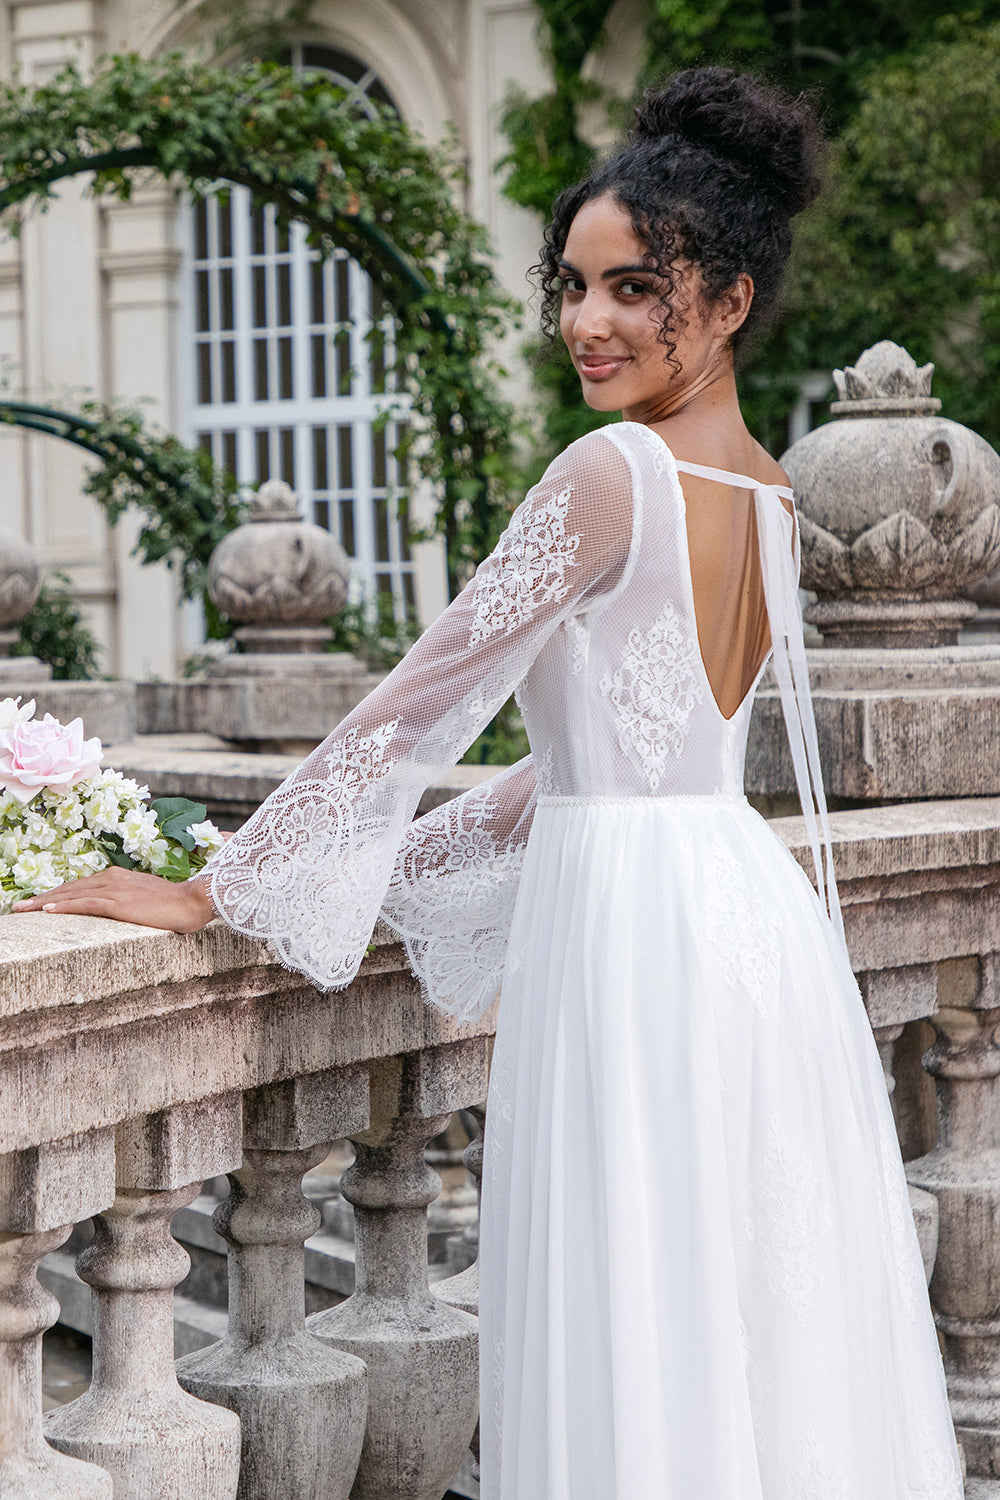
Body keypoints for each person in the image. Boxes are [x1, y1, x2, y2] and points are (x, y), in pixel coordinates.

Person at [15, 66, 963, 1498]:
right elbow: (573, 773)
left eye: (637, 288)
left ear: (728, 301)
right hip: (743, 927)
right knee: (742, 1314)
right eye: (575, 285)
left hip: (637, 951)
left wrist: (218, 883)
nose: (589, 322)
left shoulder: (610, 475)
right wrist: (390, 870)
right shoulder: (772, 497)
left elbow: (415, 705)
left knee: (640, 1296)